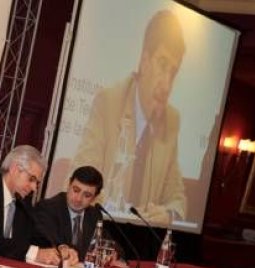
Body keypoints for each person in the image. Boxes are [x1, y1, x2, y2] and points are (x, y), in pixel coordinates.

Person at [71, 10, 186, 224]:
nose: (167, 83)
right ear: (144, 60)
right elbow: (81, 179)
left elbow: (177, 196)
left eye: (173, 72)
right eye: (162, 65)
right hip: (98, 227)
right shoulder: (109, 102)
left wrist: (168, 214)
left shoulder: (171, 120)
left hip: (140, 239)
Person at [0, 145, 66, 265]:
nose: (34, 188)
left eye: (37, 183)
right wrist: (34, 253)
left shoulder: (22, 202)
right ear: (14, 169)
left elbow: (37, 235)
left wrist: (60, 249)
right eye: (31, 179)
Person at [33, 166, 103, 261]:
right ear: (69, 184)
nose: (78, 199)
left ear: (94, 198)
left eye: (87, 195)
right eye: (76, 190)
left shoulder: (94, 215)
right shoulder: (48, 207)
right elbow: (51, 241)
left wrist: (112, 253)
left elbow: (107, 243)